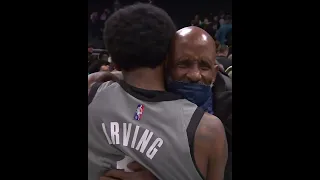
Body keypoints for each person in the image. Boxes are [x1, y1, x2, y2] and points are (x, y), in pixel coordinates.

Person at [88, 3, 227, 180]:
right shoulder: (209, 130)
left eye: (204, 66)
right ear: (167, 58)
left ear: (114, 61)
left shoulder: (92, 94)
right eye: (184, 63)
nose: (194, 75)